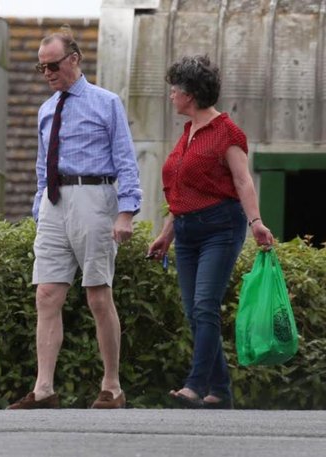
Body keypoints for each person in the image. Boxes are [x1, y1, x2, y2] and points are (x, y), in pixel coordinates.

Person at [7, 27, 142, 410]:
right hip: (54, 199)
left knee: (98, 294)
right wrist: (39, 207)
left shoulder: (106, 102)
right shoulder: (46, 108)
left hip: (94, 195)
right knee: (46, 293)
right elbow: (40, 163)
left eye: (53, 65)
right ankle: (44, 388)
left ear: (74, 59)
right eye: (41, 67)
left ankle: (112, 386)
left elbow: (126, 160)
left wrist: (126, 212)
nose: (47, 73)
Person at [148, 55, 274, 409]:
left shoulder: (227, 132)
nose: (171, 95)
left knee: (205, 306)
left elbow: (242, 180)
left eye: (174, 89)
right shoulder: (187, 133)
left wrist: (256, 222)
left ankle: (195, 385)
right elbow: (183, 192)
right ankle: (220, 392)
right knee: (195, 312)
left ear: (190, 93)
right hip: (186, 232)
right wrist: (166, 234)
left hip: (220, 227)